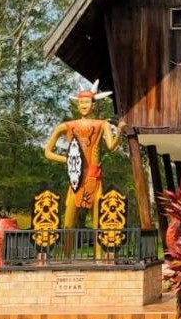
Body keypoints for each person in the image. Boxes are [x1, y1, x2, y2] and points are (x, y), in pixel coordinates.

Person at [43, 80, 125, 231]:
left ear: (93, 104)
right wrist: (69, 161)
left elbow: (111, 146)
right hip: (76, 178)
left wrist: (119, 131)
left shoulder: (102, 124)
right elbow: (47, 152)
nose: (83, 105)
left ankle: (99, 254)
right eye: (81, 102)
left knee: (97, 223)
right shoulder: (67, 126)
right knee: (68, 222)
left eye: (87, 101)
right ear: (77, 104)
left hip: (94, 177)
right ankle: (66, 254)